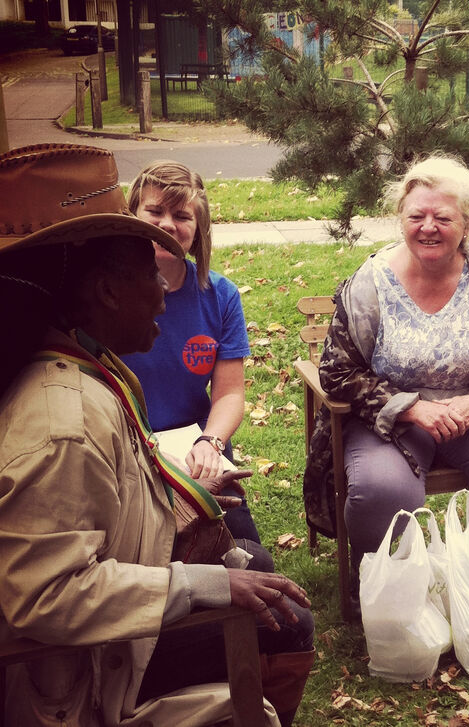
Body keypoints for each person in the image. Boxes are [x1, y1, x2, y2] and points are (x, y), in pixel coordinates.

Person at [0, 144, 312, 727]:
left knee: (255, 561)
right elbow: (45, 597)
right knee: (287, 617)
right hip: (87, 673)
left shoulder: (91, 365)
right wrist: (201, 586)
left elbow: (106, 498)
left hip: (104, 635)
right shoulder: (62, 424)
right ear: (108, 293)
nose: (165, 296)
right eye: (149, 275)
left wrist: (184, 501)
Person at [302, 155, 469, 590]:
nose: (428, 226)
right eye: (417, 215)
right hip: (389, 421)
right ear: (401, 220)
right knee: (384, 494)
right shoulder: (371, 282)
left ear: (466, 226)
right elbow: (338, 371)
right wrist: (413, 410)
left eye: (443, 217)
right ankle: (389, 587)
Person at [121, 160, 257, 541]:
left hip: (196, 448)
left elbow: (229, 392)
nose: (167, 224)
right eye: (155, 211)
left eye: (182, 216)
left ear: (198, 231)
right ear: (132, 215)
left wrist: (211, 442)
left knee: (245, 549)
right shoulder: (107, 293)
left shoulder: (220, 296)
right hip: (125, 447)